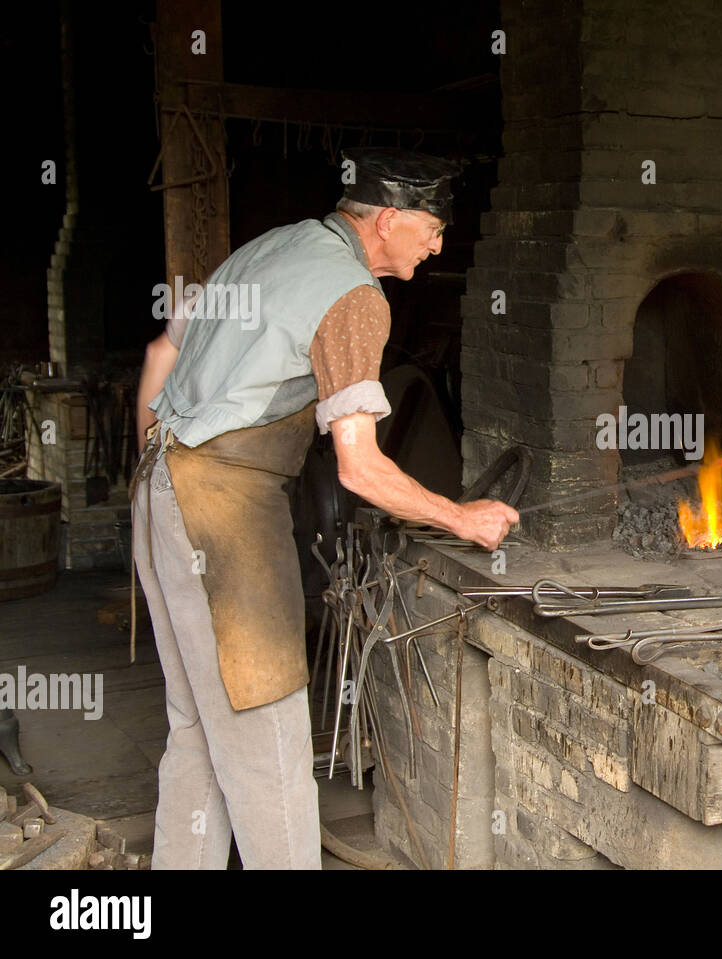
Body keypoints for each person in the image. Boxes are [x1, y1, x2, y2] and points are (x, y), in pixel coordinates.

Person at [131, 148, 519, 869]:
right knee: (270, 746)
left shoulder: (271, 247)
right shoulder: (354, 296)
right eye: (433, 228)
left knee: (195, 732)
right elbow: (359, 466)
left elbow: (161, 352)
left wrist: (160, 470)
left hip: (162, 491)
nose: (438, 245)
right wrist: (463, 517)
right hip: (224, 520)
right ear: (391, 219)